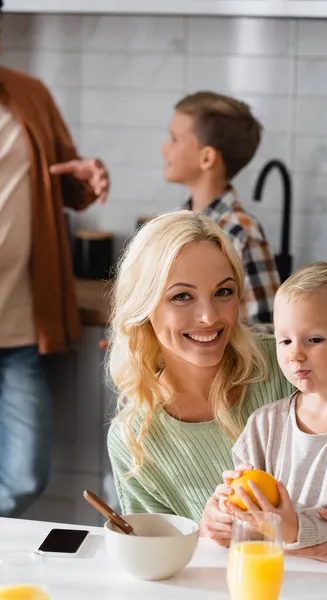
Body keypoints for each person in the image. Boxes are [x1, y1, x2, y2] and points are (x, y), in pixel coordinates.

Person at [107, 210, 327, 566]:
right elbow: (151, 554)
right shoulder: (135, 439)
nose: (209, 317)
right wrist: (205, 530)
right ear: (144, 306)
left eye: (223, 292)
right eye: (182, 297)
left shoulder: (284, 363)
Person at [0, 2, 110, 517]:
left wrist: (87, 179)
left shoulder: (29, 95)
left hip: (21, 327)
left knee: (24, 476)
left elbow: (69, 181)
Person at [213, 262, 327, 549]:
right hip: (267, 571)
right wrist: (229, 506)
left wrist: (293, 527)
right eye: (285, 340)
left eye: (314, 339)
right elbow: (246, 505)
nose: (295, 354)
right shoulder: (263, 424)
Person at [162, 91, 280, 326]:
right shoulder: (176, 224)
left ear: (207, 158)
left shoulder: (240, 231)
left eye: (174, 139)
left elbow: (266, 333)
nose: (164, 149)